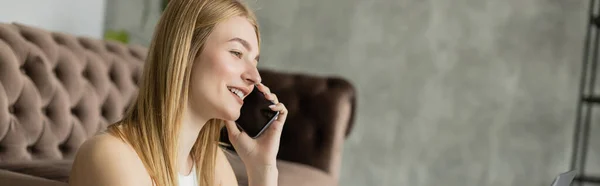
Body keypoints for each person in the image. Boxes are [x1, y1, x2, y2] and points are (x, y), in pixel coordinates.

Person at [68, 0, 288, 185]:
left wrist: (263, 170)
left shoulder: (213, 167)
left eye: (255, 61)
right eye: (236, 52)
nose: (255, 76)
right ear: (186, 53)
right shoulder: (110, 156)